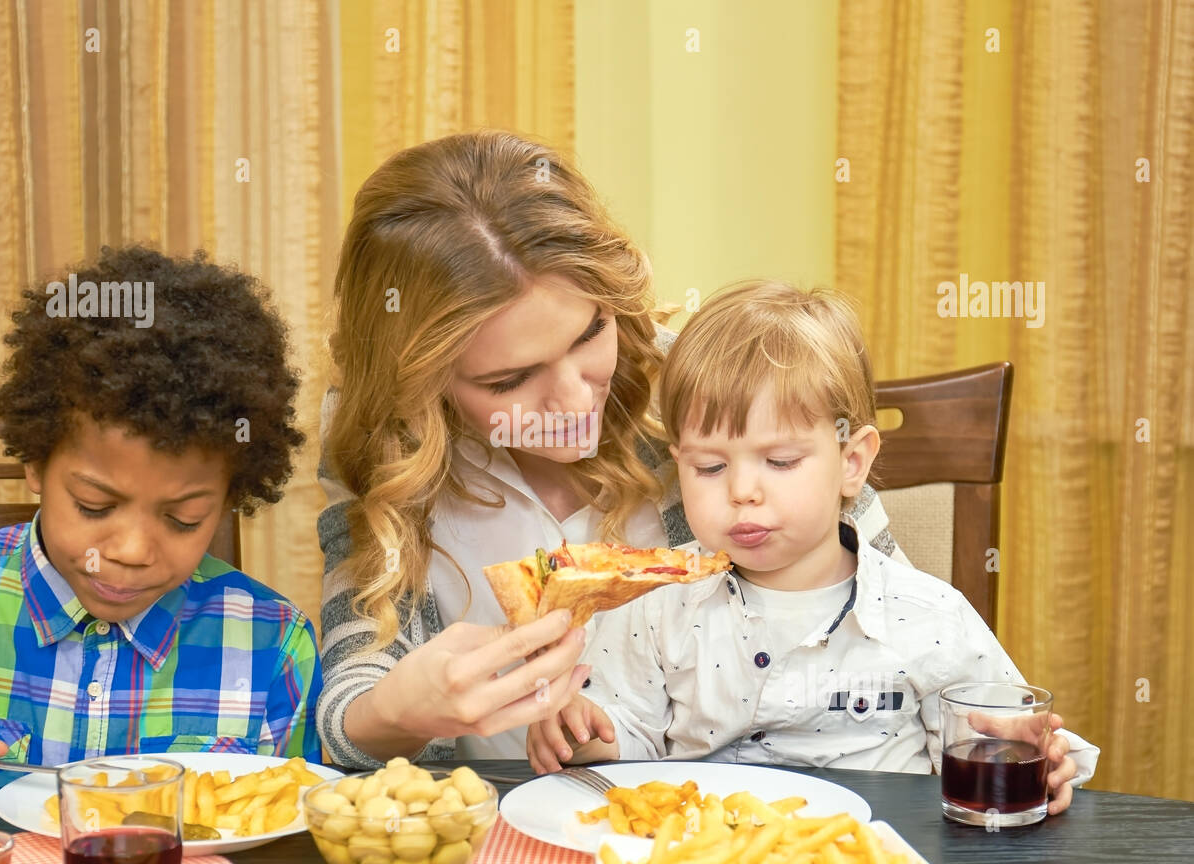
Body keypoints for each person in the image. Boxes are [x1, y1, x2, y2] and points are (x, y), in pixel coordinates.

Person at [317, 130, 908, 768]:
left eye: (590, 332)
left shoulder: (710, 386)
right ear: (418, 383)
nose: (574, 404)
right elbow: (352, 702)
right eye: (509, 381)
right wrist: (393, 715)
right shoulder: (389, 442)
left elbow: (898, 612)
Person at [526, 280, 1100, 814]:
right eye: (709, 466)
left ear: (852, 461)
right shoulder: (655, 609)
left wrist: (1042, 760)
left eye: (780, 462)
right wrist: (581, 733)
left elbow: (1002, 734)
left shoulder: (930, 617)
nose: (742, 491)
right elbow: (629, 740)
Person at [0, 246, 323, 820]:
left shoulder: (272, 646)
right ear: (35, 463)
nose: (131, 552)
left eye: (183, 520)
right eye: (94, 506)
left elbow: (293, 829)